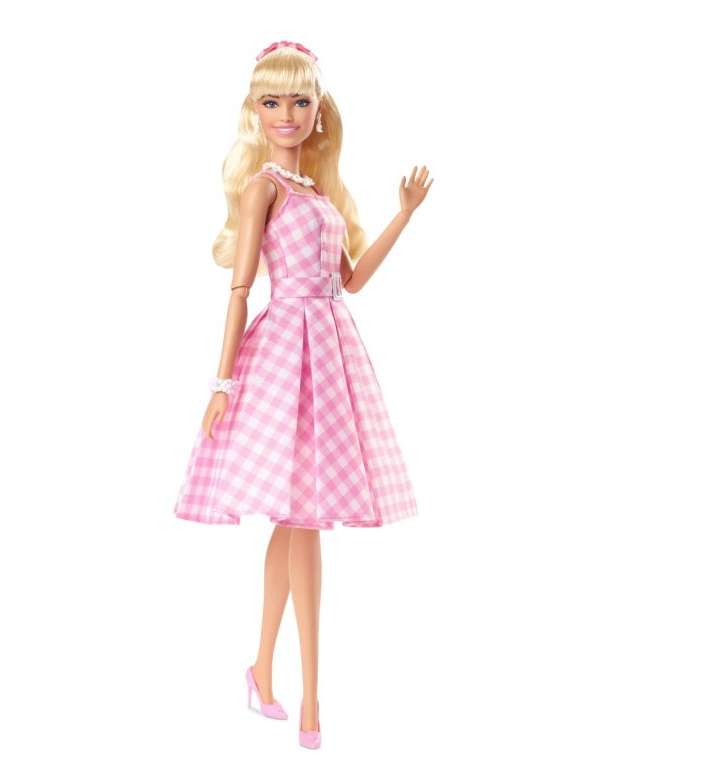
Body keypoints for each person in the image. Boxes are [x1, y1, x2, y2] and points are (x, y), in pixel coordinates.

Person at [172, 40, 433, 750]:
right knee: (302, 519)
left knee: (297, 519)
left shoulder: (317, 193)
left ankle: (262, 670)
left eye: (299, 101)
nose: (286, 114)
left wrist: (404, 215)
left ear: (319, 110)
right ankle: (310, 698)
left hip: (330, 351)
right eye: (272, 101)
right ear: (255, 111)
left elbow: (352, 280)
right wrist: (222, 383)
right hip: (285, 351)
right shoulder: (263, 188)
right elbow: (239, 290)